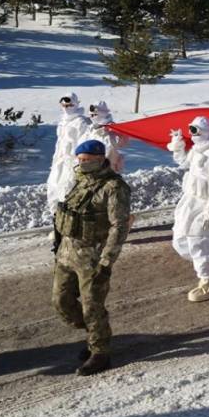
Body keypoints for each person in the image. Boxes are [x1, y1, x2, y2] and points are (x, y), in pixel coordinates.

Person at [51, 139, 131, 376]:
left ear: (99, 160)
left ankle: (100, 352)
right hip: (66, 253)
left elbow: (119, 226)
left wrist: (107, 261)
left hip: (93, 257)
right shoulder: (79, 180)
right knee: (61, 302)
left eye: (87, 160)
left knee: (92, 306)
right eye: (80, 160)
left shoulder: (114, 187)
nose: (82, 164)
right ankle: (97, 333)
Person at [167, 116, 209, 302]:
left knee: (199, 241)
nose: (192, 134)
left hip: (205, 204)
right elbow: (185, 164)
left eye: (195, 130)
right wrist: (178, 146)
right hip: (189, 201)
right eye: (190, 130)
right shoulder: (197, 150)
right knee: (180, 240)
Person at [46, 93, 92, 215]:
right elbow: (59, 145)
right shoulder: (62, 122)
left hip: (71, 165)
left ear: (76, 104)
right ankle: (58, 225)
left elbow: (83, 146)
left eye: (70, 105)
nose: (66, 108)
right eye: (64, 105)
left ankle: (71, 225)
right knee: (53, 190)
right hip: (59, 164)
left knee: (68, 193)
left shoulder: (81, 123)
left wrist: (78, 166)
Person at [81, 101, 128, 173]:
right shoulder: (92, 129)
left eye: (95, 115)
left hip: (107, 169)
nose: (92, 117)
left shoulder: (111, 130)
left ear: (102, 114)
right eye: (91, 115)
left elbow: (113, 148)